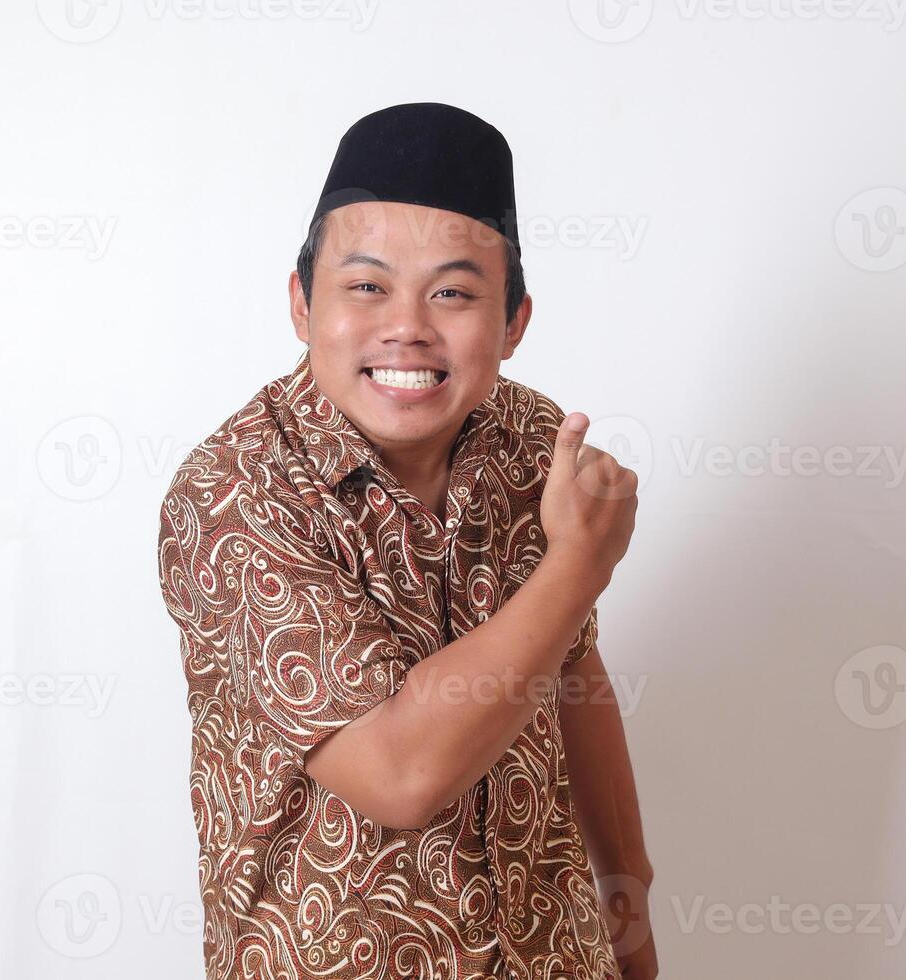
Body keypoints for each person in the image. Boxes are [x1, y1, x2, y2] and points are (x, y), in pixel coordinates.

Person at [157, 101, 653, 980]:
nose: (407, 327)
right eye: (366, 286)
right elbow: (399, 773)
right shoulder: (233, 493)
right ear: (302, 302)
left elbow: (574, 672)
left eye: (454, 293)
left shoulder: (535, 445)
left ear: (513, 323)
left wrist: (629, 906)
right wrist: (579, 566)